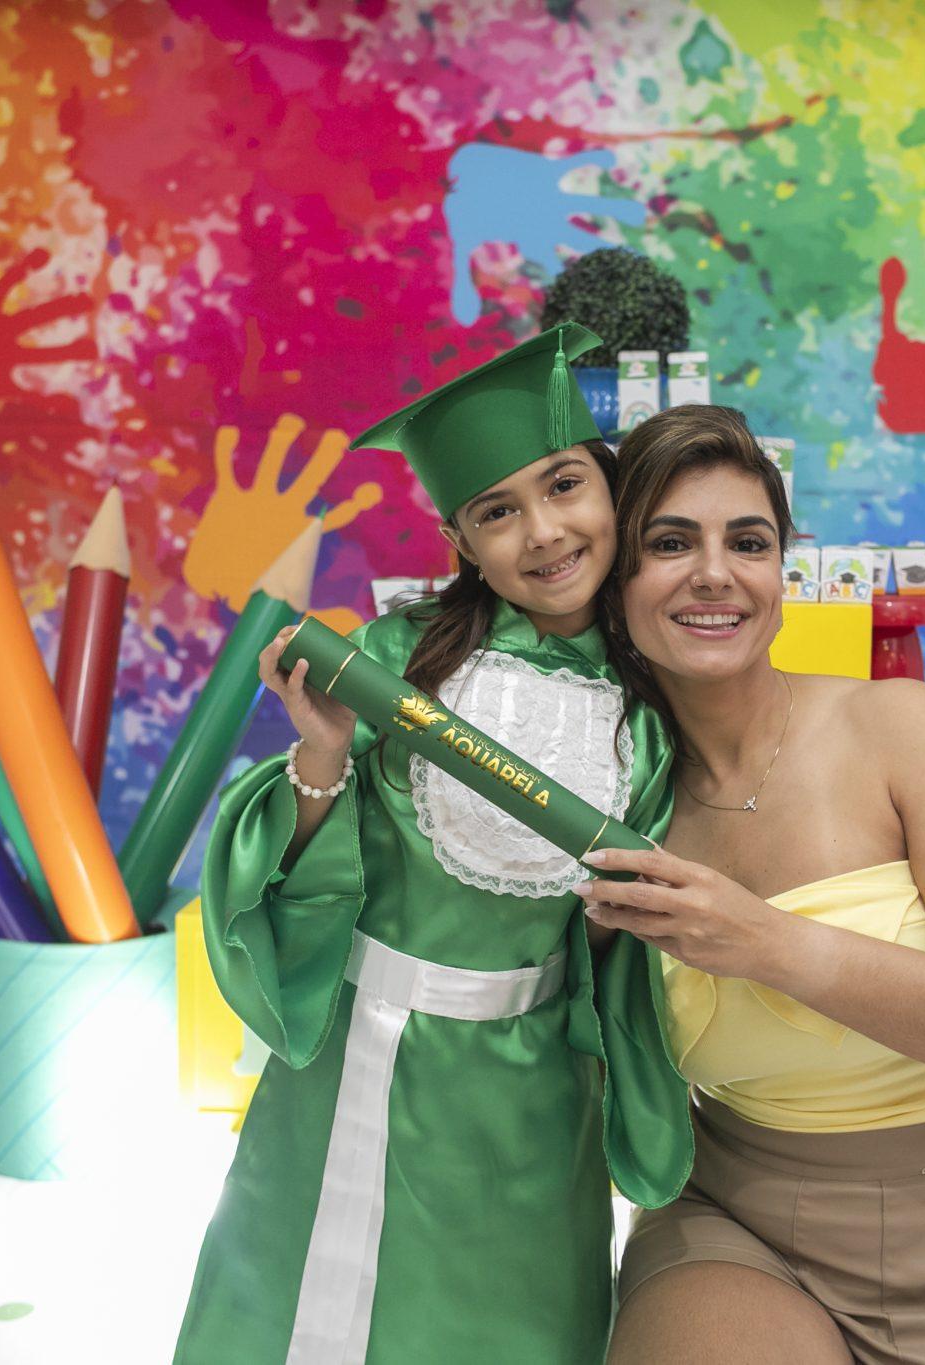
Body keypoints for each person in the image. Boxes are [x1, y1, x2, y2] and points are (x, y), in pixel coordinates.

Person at [175, 325, 691, 1365]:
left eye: (564, 486)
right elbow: (298, 877)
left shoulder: (652, 709)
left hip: (530, 1092)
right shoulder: (397, 658)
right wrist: (322, 751)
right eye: (498, 512)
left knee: (507, 1322)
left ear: (611, 486)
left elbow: (611, 949)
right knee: (300, 1298)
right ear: (460, 538)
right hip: (356, 1062)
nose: (543, 533)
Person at [581, 405, 925, 1364]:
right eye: (670, 542)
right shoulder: (620, 797)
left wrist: (773, 945)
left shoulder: (900, 728)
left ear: (782, 572)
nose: (715, 573)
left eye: (749, 542)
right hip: (727, 1216)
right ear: (616, 583)